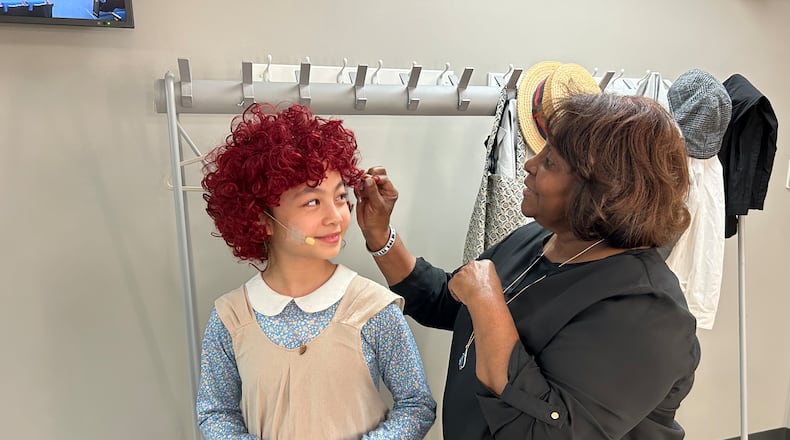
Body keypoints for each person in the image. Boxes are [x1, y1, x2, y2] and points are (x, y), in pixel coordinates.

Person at [355, 80, 701, 437]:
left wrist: (487, 299)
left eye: (550, 161)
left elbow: (547, 431)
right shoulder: (540, 239)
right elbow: (448, 300)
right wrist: (380, 235)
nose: (529, 164)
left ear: (601, 189)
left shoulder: (648, 313)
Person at [196, 103, 436, 439]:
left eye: (339, 197)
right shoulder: (231, 318)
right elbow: (215, 412)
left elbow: (416, 403)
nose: (335, 216)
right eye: (312, 202)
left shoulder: (372, 308)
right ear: (261, 219)